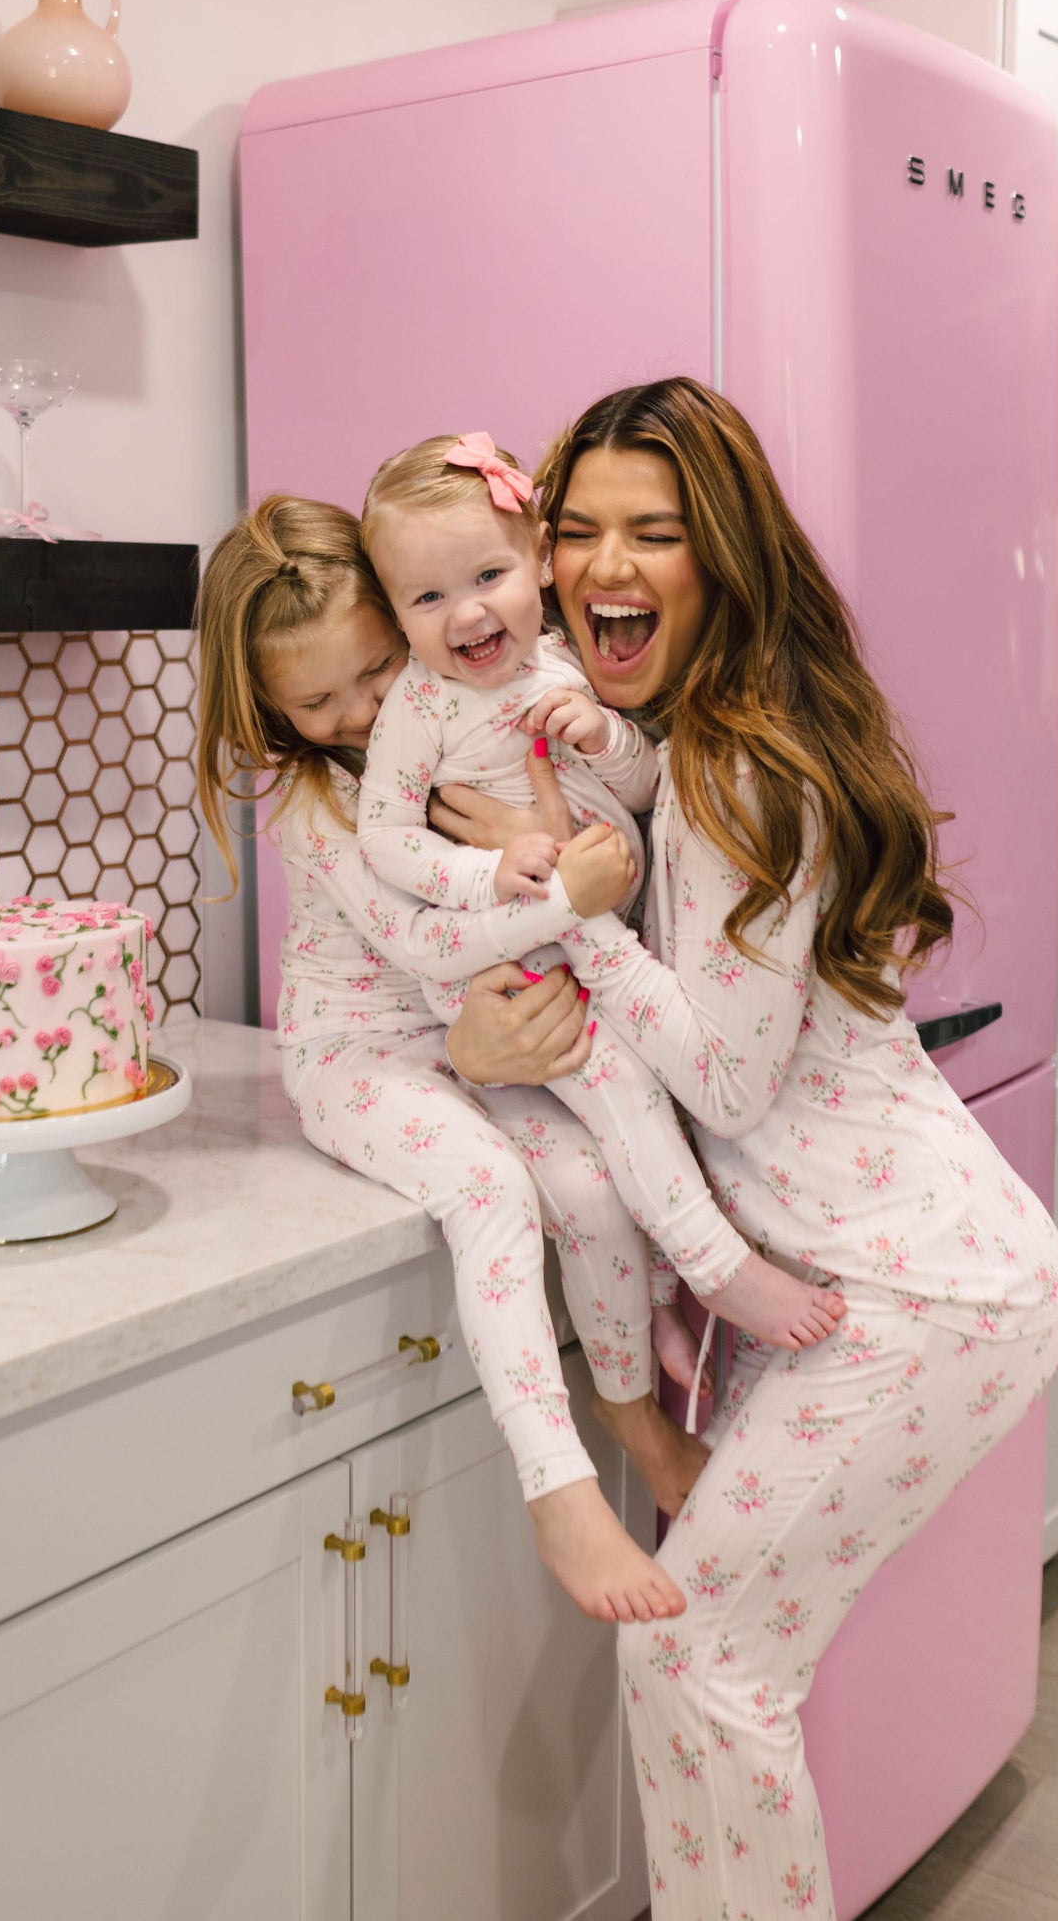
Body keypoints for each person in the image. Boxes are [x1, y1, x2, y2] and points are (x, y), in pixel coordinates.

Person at [436, 378, 1058, 1919]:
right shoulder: (688, 743)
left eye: (655, 531)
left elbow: (722, 1077)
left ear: (722, 558)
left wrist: (574, 913)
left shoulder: (732, 766)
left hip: (920, 1295)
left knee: (696, 1651)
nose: (605, 563)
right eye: (575, 527)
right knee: (711, 1656)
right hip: (876, 1273)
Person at [196, 491, 698, 1624]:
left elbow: (608, 801)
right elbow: (426, 944)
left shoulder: (453, 714)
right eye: (317, 700)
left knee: (586, 1177)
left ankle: (630, 1410)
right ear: (271, 707)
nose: (363, 712)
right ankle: (556, 1486)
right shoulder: (319, 803)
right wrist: (574, 893)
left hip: (467, 1034)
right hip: (361, 1056)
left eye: (374, 672)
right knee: (490, 1189)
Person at [357, 428, 847, 1391]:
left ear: (538, 560)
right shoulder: (420, 707)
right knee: (623, 1094)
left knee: (648, 1114)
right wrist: (489, 873)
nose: (465, 613)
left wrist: (607, 736)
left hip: (596, 932)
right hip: (514, 951)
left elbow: (645, 785)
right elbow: (384, 835)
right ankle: (717, 1269)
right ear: (396, 616)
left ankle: (659, 1300)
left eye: (487, 574)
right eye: (426, 598)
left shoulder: (564, 664)